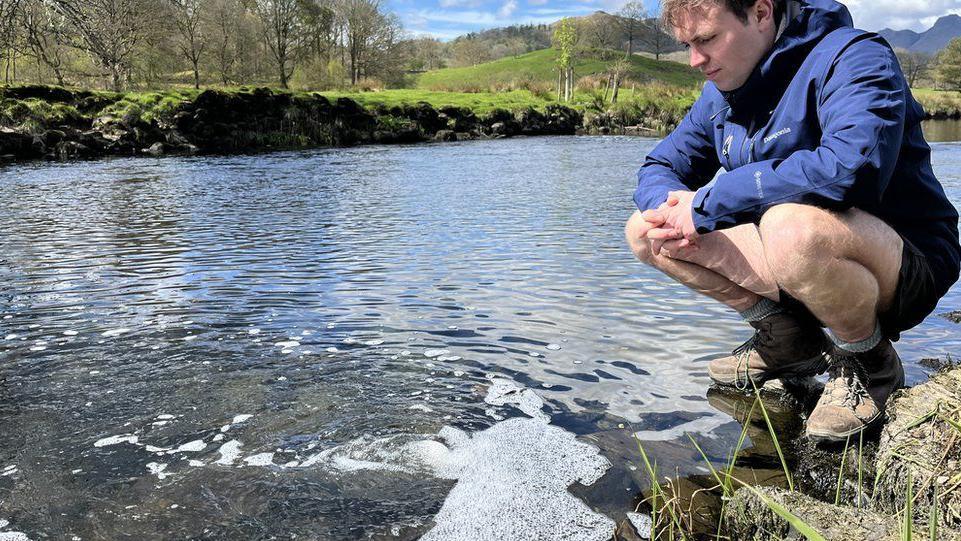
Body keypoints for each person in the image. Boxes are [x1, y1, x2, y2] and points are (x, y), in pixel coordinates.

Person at [625, 0, 960, 442]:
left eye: (706, 39)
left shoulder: (854, 56)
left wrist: (710, 199)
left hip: (903, 262)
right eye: (687, 45)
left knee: (791, 229)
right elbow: (659, 165)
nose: (695, 60)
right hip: (799, 258)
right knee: (645, 230)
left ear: (761, 13)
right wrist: (669, 210)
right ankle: (787, 340)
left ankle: (868, 361)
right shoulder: (720, 94)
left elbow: (849, 171)